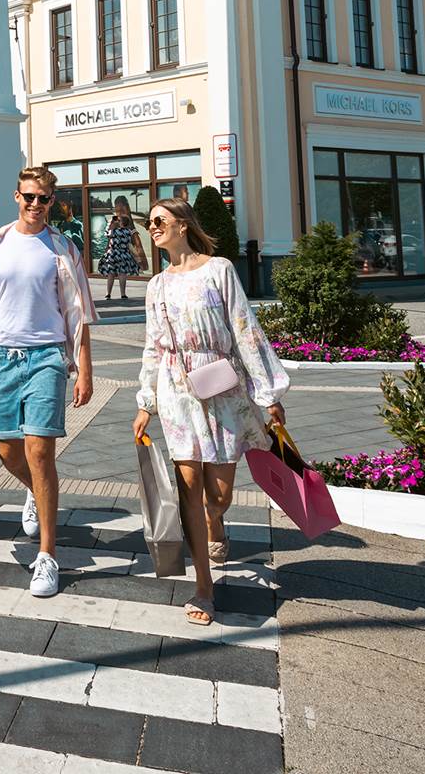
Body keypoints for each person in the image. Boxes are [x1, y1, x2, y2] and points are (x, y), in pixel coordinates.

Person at [133, 197, 289, 626]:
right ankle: (203, 586)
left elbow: (246, 330)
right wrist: (146, 402)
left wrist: (268, 393)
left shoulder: (219, 270)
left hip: (221, 387)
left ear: (183, 225)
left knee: (218, 495)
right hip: (176, 392)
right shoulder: (156, 285)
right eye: (149, 223)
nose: (153, 227)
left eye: (160, 220)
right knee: (188, 490)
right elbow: (152, 347)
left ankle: (215, 524)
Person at [0, 166, 96, 598]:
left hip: (47, 356)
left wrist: (84, 367)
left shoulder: (63, 248)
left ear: (52, 201)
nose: (34, 205)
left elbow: (79, 313)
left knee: (40, 451)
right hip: (2, 359)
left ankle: (47, 555)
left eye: (42, 199)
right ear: (16, 196)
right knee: (8, 451)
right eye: (28, 197)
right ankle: (34, 491)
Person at [98, 195, 145, 301]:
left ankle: (108, 294)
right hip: (123, 254)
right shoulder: (128, 231)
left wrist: (111, 227)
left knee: (111, 274)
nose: (118, 215)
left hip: (113, 253)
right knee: (122, 274)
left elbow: (107, 236)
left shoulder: (115, 230)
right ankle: (123, 294)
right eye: (117, 210)